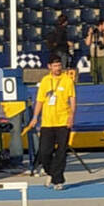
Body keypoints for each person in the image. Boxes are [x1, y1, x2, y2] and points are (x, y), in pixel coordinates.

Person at [25, 55, 76, 189]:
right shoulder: (45, 81)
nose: (57, 68)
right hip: (47, 121)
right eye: (54, 66)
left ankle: (58, 180)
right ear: (49, 67)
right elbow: (40, 100)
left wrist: (71, 116)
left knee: (61, 151)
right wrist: (35, 116)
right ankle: (51, 172)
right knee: (44, 151)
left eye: (59, 65)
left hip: (63, 120)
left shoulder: (67, 80)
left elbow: (72, 99)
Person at [86, 20, 104, 85]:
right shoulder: (93, 33)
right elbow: (87, 43)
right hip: (94, 57)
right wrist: (90, 34)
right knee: (94, 73)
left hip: (103, 56)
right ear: (100, 25)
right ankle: (95, 86)